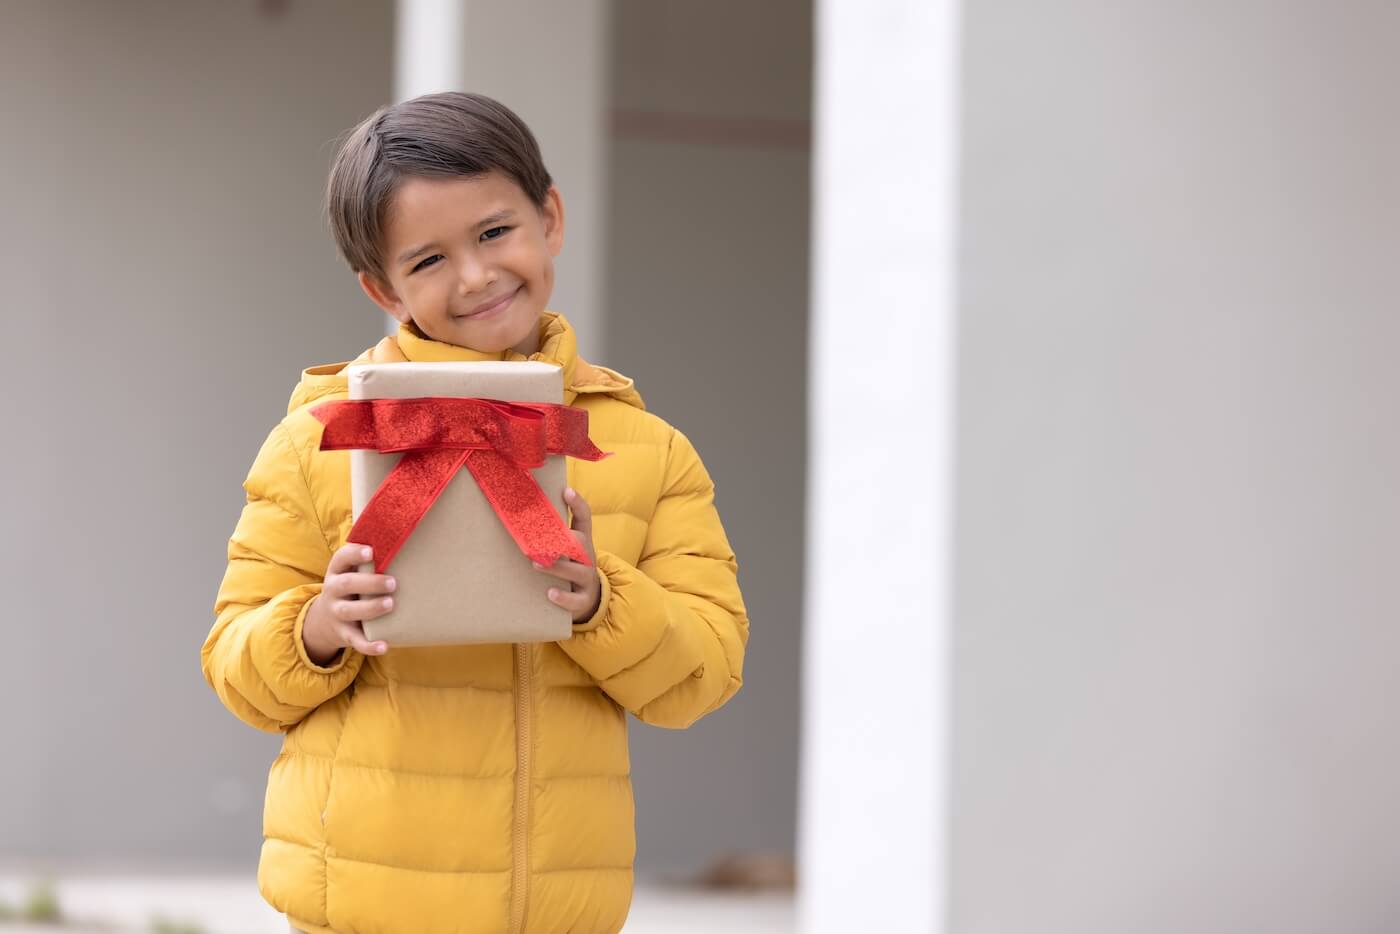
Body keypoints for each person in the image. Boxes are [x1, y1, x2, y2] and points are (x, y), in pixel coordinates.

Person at [201, 91, 748, 934]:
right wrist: (315, 627)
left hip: (559, 914)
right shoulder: (322, 441)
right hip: (358, 910)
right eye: (427, 260)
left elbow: (703, 675)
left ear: (550, 216)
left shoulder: (646, 450)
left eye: (495, 232)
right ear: (382, 287)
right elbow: (236, 671)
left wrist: (602, 599)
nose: (476, 275)